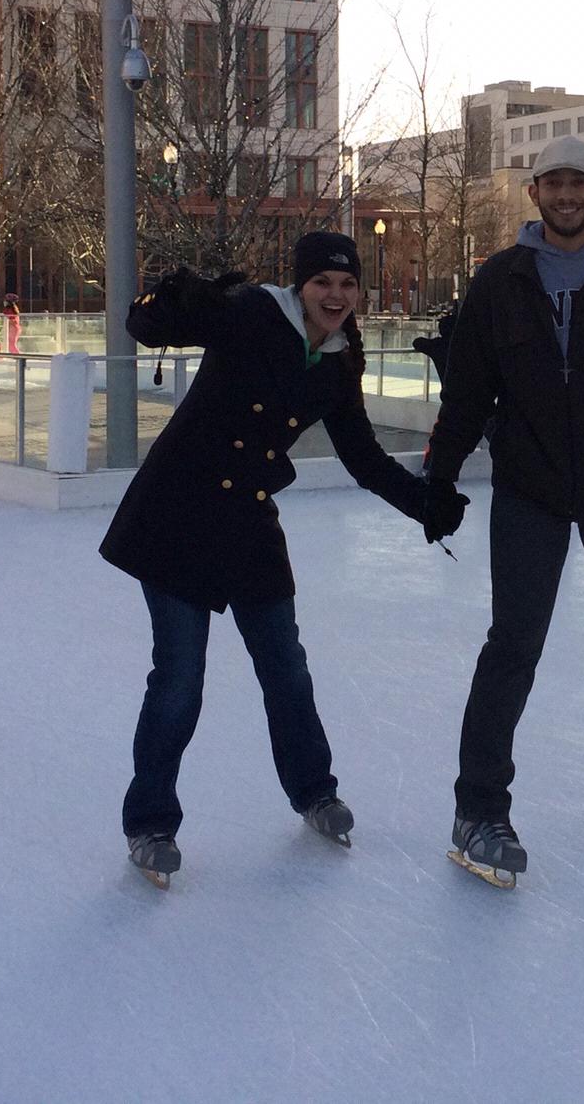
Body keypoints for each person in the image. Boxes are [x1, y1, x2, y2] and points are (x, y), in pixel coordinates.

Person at [99, 232, 467, 887]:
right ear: (301, 286)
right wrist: (179, 291)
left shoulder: (340, 356)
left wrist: (423, 502)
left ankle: (314, 792)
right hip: (176, 515)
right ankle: (150, 823)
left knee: (286, 670)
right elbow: (145, 325)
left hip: (247, 520)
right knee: (179, 679)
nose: (335, 295)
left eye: (347, 285)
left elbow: (361, 454)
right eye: (323, 282)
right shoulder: (247, 312)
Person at [424, 137, 584, 885]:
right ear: (533, 193)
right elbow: (469, 390)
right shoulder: (500, 280)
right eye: (554, 184)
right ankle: (479, 807)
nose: (567, 196)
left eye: (581, 184)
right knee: (512, 646)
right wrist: (441, 479)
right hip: (530, 487)